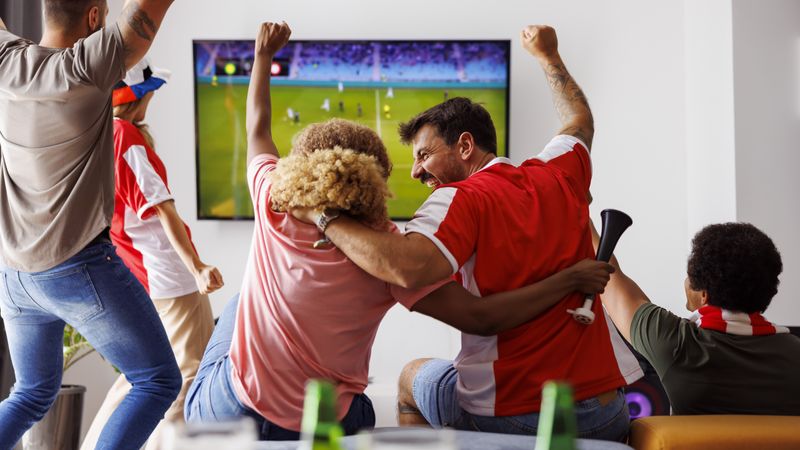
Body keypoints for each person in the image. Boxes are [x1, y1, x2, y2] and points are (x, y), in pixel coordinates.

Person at [184, 21, 616, 441]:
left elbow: (258, 130)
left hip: (511, 413)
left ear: (465, 146)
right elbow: (579, 119)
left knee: (250, 306)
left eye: (424, 155)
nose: (415, 172)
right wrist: (548, 56)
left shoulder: (281, 199)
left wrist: (322, 215)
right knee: (361, 406)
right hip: (606, 410)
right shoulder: (560, 170)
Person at [0, 1, 180, 448]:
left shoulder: (6, 59)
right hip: (76, 270)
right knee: (156, 381)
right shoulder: (84, 69)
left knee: (31, 392)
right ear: (96, 17)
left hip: (14, 276)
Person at [80, 60, 224, 450]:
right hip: (167, 276)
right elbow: (162, 210)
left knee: (141, 376)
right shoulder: (125, 136)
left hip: (140, 273)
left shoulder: (94, 134)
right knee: (186, 376)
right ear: (139, 97)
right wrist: (196, 267)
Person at [596, 222, 800, 415]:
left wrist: (577, 205)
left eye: (689, 276)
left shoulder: (678, 343)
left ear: (704, 294)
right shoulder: (794, 351)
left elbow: (609, 278)